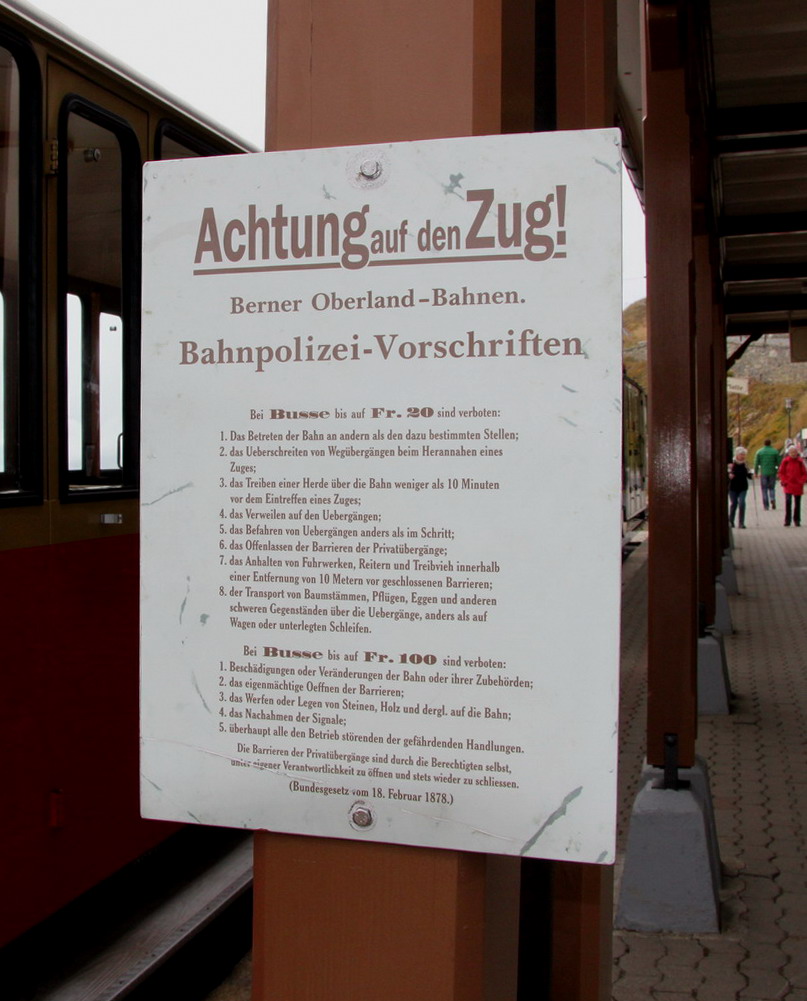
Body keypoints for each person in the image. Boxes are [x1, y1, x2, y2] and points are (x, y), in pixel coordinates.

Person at [778, 444, 807, 526]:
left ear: (797, 452)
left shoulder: (800, 461)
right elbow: (781, 472)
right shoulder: (785, 461)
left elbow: (804, 473)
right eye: (791, 452)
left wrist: (802, 481)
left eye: (794, 452)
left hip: (798, 485)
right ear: (789, 453)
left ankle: (797, 520)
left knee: (797, 503)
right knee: (788, 502)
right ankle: (787, 520)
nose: (793, 454)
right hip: (788, 484)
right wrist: (784, 481)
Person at [728, 447, 752, 529]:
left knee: (742, 503)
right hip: (733, 487)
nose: (742, 456)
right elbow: (727, 473)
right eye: (741, 454)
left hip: (743, 487)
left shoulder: (746, 464)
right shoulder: (732, 464)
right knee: (734, 504)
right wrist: (729, 475)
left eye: (744, 455)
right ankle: (731, 521)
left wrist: (751, 475)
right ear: (737, 455)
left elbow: (749, 474)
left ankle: (741, 523)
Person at [754, 438, 780, 510]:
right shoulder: (775, 451)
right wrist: (778, 471)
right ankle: (772, 498)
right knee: (772, 488)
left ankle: (766, 505)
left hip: (763, 472)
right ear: (770, 443)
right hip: (772, 472)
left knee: (764, 489)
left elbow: (756, 463)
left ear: (764, 443)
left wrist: (756, 472)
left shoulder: (759, 452)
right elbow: (779, 463)